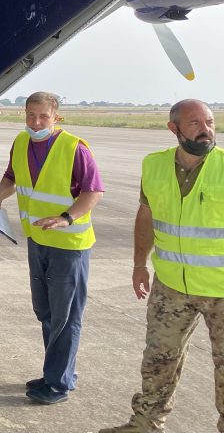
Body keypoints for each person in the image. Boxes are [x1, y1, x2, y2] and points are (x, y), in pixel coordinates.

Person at [99, 99, 224, 433]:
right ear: (174, 128)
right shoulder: (153, 165)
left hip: (221, 289)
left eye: (209, 121)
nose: (206, 129)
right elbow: (146, 214)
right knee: (158, 360)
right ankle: (145, 424)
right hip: (171, 285)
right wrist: (139, 264)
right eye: (195, 123)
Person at [0, 91, 104, 405]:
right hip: (37, 241)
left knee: (66, 316)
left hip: (69, 245)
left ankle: (58, 384)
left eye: (43, 117)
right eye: (30, 116)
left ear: (56, 118)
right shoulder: (21, 143)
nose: (36, 122)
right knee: (47, 312)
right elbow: (12, 176)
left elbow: (94, 191)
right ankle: (55, 373)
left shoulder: (74, 148)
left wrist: (67, 217)